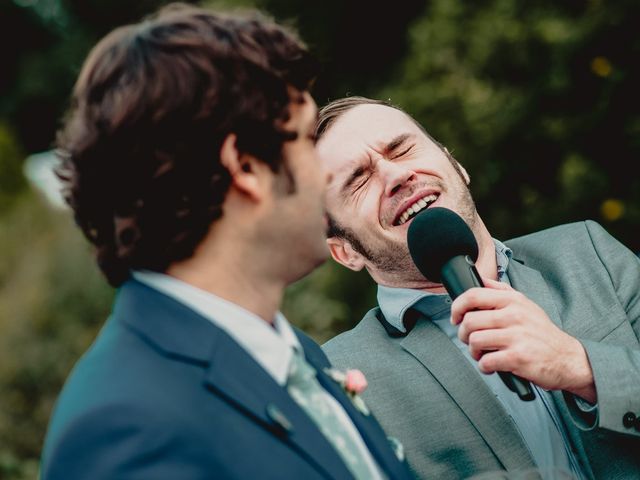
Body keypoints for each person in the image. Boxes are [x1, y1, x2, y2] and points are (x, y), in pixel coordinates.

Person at [40, 9, 414, 479]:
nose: (323, 174)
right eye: (302, 140)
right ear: (245, 166)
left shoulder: (293, 354)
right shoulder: (127, 427)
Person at [316, 96, 640, 480]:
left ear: (457, 166)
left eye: (401, 149)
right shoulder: (336, 376)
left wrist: (579, 366)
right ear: (344, 252)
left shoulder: (587, 252)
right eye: (359, 180)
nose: (395, 175)